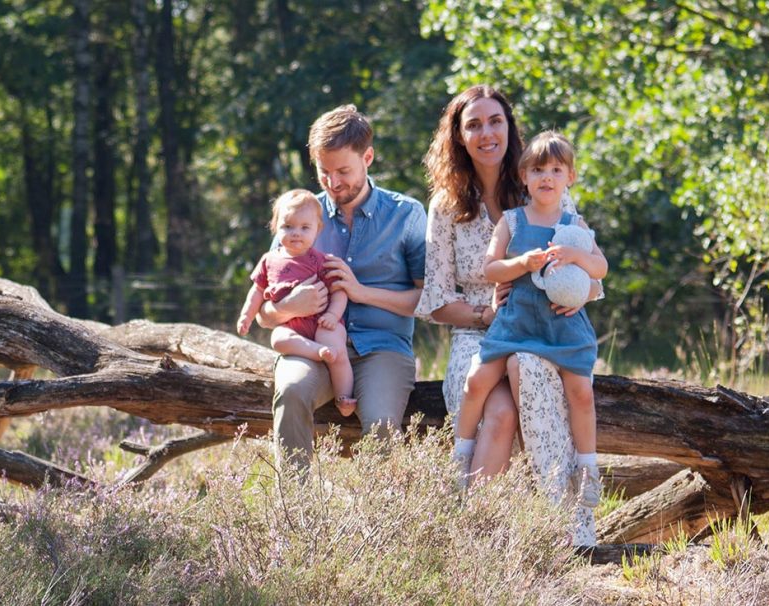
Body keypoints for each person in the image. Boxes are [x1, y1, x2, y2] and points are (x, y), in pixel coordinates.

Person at [416, 85, 599, 544]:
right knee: (497, 413)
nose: (486, 133)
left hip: (543, 327)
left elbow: (589, 271)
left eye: (495, 121)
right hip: (478, 333)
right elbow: (437, 300)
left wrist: (579, 296)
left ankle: (567, 525)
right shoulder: (446, 206)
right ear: (459, 137)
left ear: (509, 127)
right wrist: (487, 314)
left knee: (530, 370)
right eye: (473, 125)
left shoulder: (542, 179)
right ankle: (475, 537)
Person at [257, 104, 426, 470]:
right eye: (324, 172)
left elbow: (427, 301)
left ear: (368, 158)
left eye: (343, 171)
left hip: (382, 349)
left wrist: (360, 292)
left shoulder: (407, 214)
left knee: (381, 424)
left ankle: (380, 506)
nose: (333, 183)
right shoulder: (299, 217)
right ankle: (295, 502)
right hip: (312, 347)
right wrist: (289, 306)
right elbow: (263, 316)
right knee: (291, 391)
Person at [454, 131, 607, 506]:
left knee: (581, 393)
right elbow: (490, 268)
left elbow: (601, 268)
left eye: (556, 170)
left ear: (570, 177)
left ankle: (587, 468)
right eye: (538, 170)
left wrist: (575, 256)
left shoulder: (574, 224)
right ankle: (460, 454)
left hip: (561, 326)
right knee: (476, 381)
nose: (546, 178)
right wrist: (521, 263)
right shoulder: (513, 221)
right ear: (524, 176)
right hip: (517, 323)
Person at [237, 189, 357, 418]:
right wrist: (246, 316)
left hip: (322, 322)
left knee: (338, 352)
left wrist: (332, 315)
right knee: (278, 339)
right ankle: (317, 352)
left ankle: (344, 397)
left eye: (304, 228)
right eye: (288, 226)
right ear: (275, 227)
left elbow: (339, 291)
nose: (296, 233)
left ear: (317, 230)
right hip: (292, 326)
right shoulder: (269, 260)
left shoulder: (321, 261)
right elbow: (257, 291)